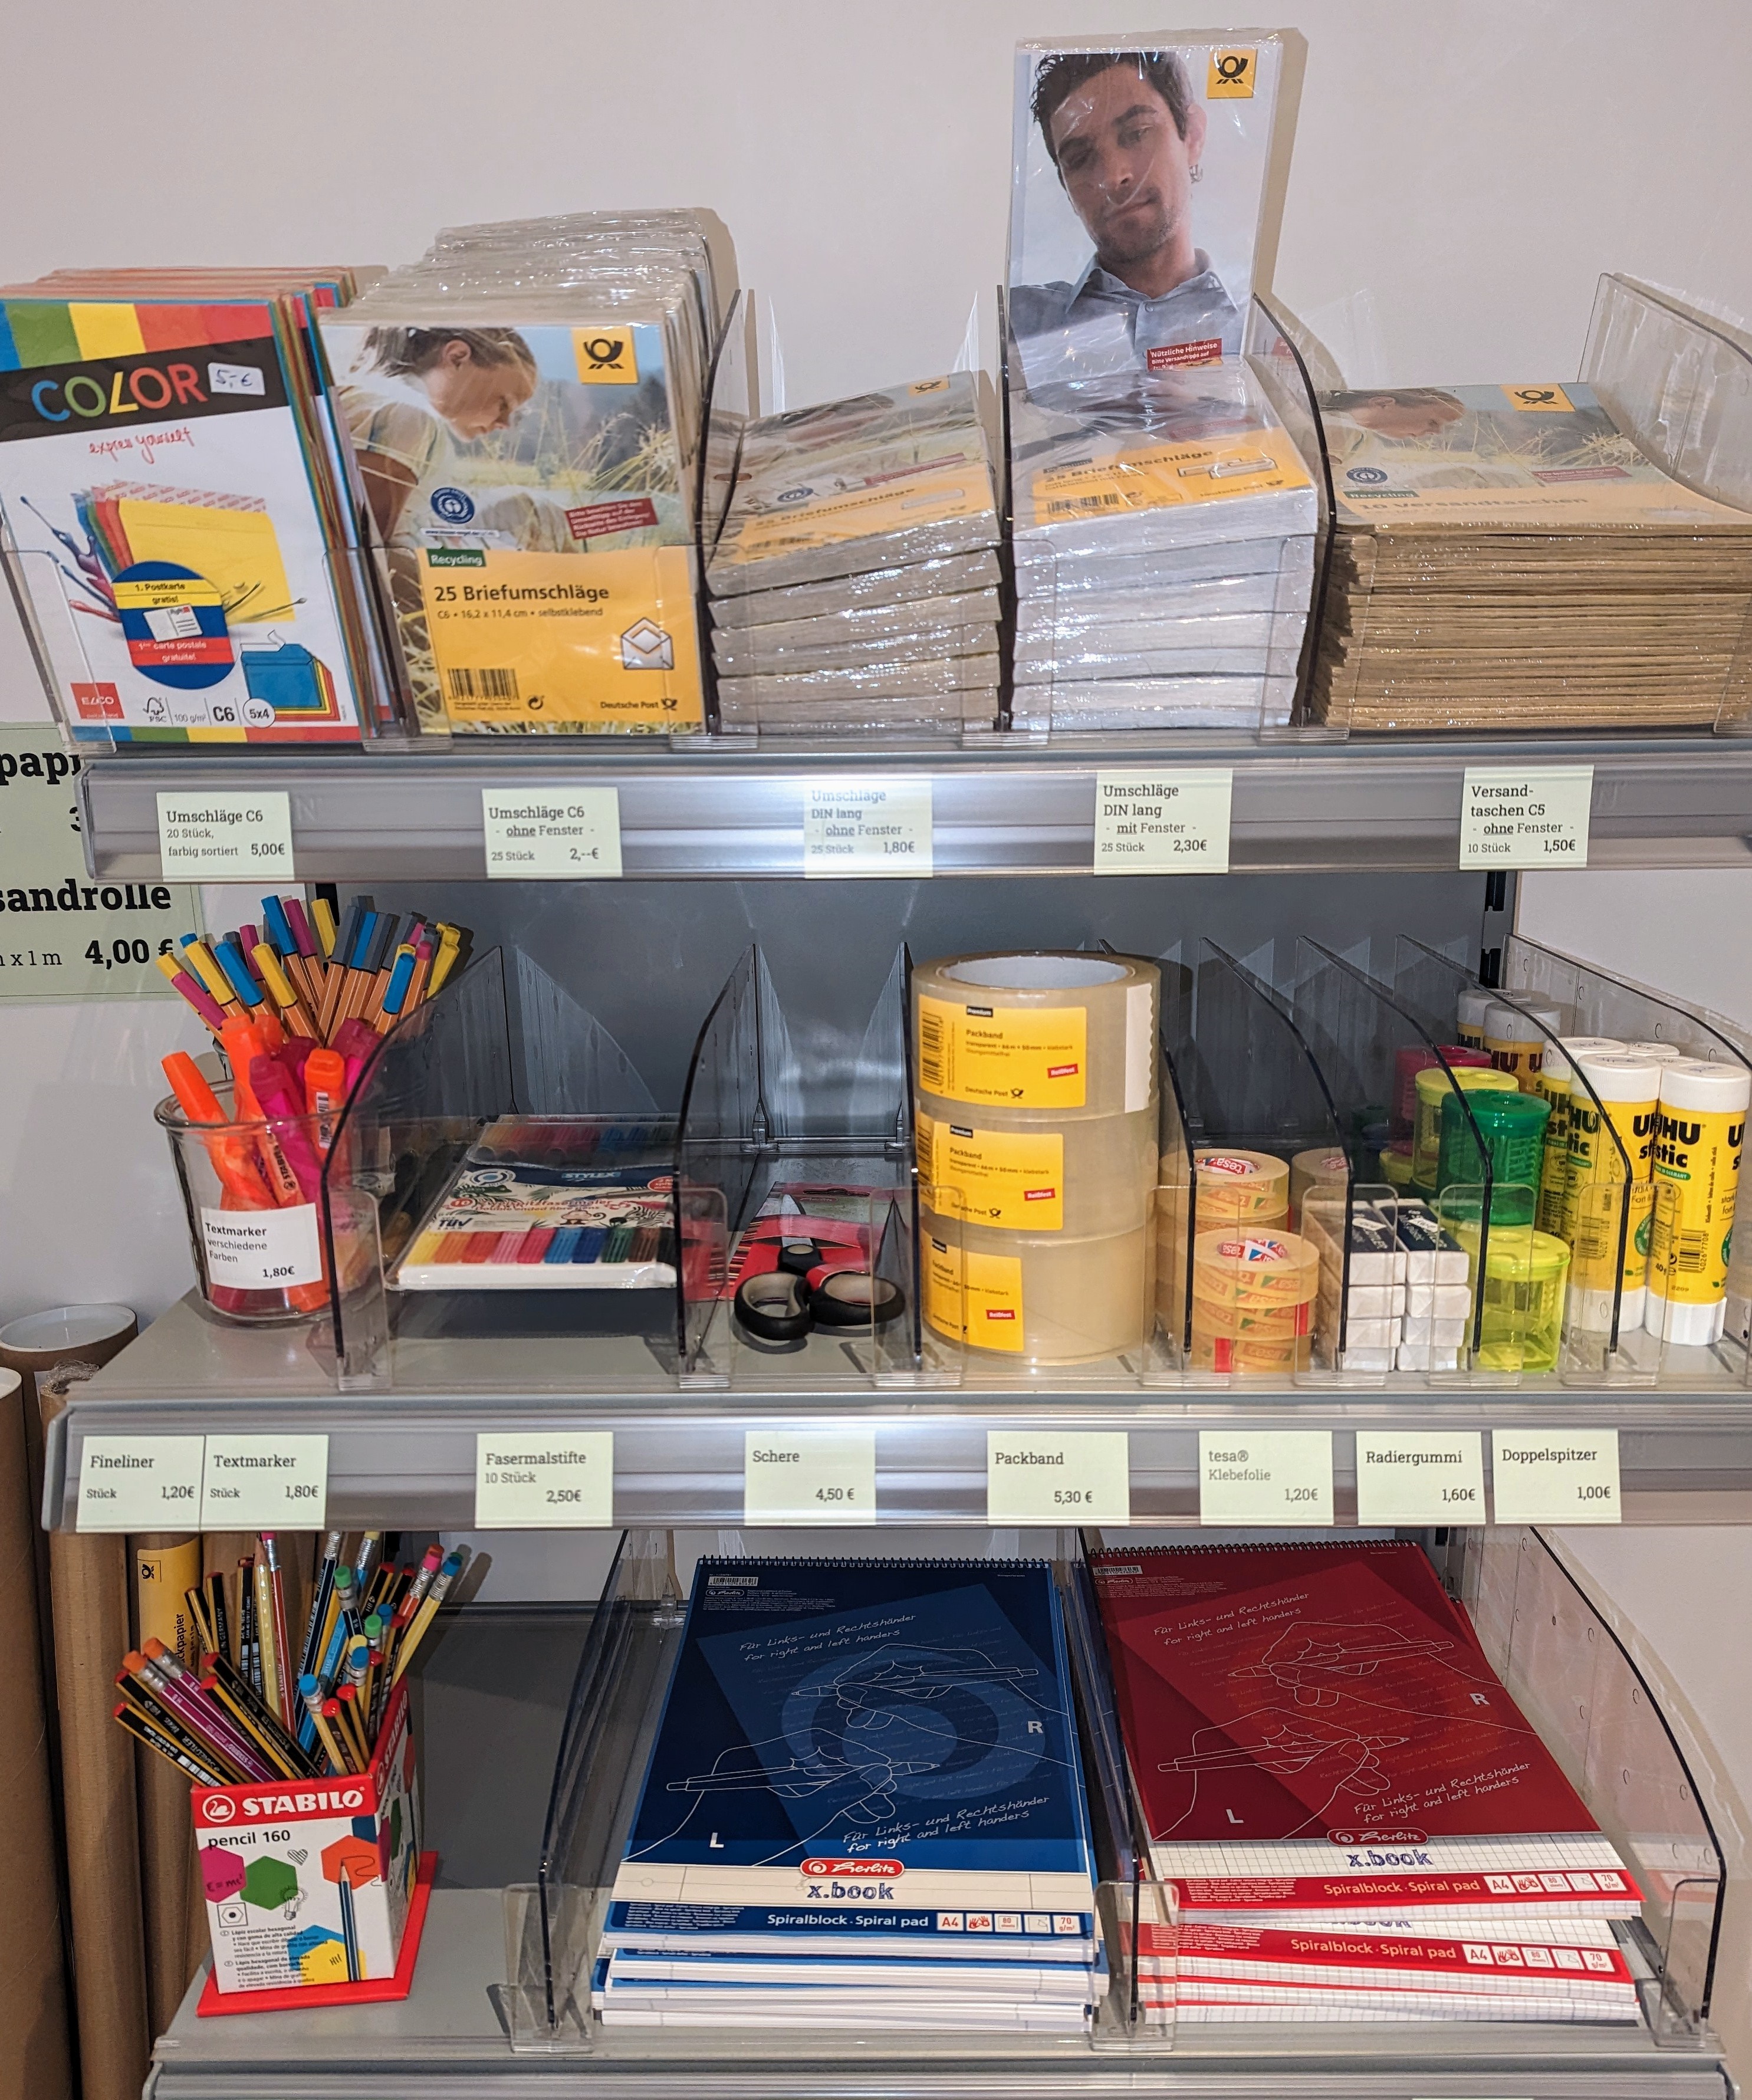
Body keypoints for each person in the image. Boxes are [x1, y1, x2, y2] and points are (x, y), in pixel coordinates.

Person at [1010, 50, 1238, 361]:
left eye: (1137, 134)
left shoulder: (1257, 334)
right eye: (1080, 159)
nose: (1112, 177)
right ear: (1066, 187)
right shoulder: (1016, 331)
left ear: (1193, 136)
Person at [336, 327, 538, 544]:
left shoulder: (379, 398)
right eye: (503, 404)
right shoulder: (408, 416)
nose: (505, 424)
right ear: (457, 358)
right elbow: (366, 547)